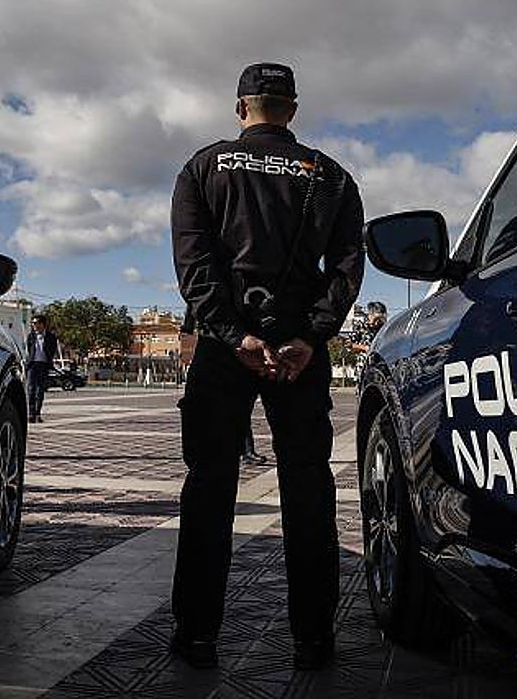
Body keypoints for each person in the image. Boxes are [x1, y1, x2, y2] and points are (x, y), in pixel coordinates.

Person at [169, 62, 364, 671]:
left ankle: (197, 635)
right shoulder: (329, 174)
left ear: (241, 108)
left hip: (226, 351)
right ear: (293, 109)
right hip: (298, 353)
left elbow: (193, 264)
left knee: (209, 486)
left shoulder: (205, 166)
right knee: (307, 487)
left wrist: (231, 335)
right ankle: (314, 637)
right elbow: (347, 265)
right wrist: (311, 335)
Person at [25, 315, 59, 423]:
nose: (34, 326)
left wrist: (50, 361)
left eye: (36, 323)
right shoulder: (31, 336)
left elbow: (52, 350)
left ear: (43, 324)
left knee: (40, 391)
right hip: (32, 365)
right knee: (31, 390)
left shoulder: (51, 337)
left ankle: (37, 414)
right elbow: (29, 349)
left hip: (43, 365)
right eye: (33, 323)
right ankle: (30, 414)